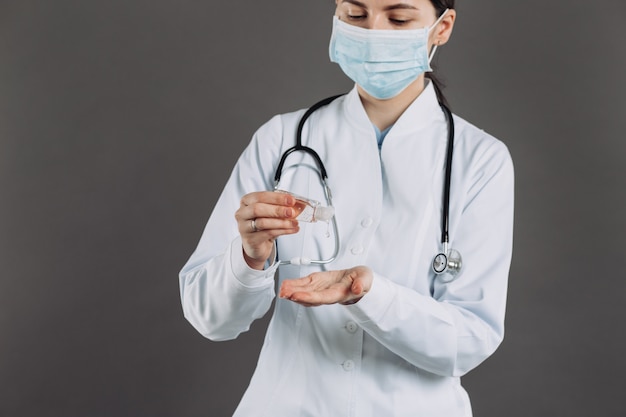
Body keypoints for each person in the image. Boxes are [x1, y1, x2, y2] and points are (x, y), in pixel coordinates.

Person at [179, 0, 514, 415]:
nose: (373, 32)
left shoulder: (479, 160)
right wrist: (249, 258)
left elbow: (469, 340)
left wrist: (370, 295)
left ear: (442, 27)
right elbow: (210, 318)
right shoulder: (281, 140)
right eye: (356, 15)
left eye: (399, 18)